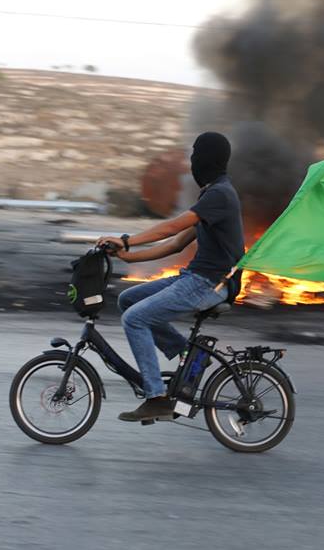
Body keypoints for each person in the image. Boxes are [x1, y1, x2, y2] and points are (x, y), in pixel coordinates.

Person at [96, 132, 244, 422]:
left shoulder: (220, 194)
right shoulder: (213, 193)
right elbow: (176, 244)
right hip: (193, 278)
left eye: (195, 154)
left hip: (207, 284)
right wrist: (129, 256)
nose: (192, 161)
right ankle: (186, 356)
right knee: (129, 300)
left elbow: (172, 228)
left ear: (207, 158)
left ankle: (156, 398)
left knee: (135, 319)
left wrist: (127, 240)